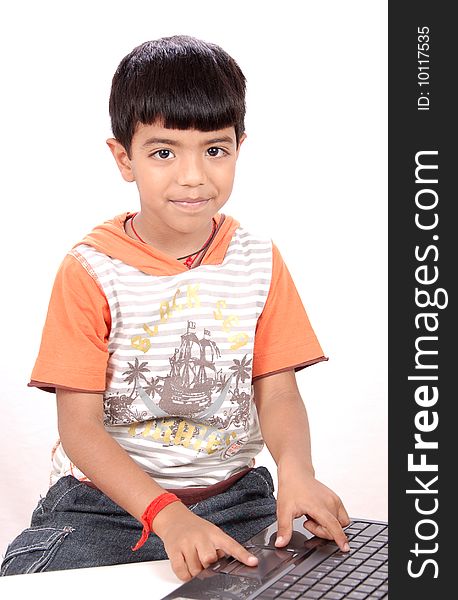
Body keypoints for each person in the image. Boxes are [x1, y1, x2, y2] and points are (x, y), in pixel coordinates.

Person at [0, 35, 350, 580]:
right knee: (34, 582)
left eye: (215, 149)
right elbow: (80, 429)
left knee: (313, 576)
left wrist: (297, 471)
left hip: (235, 496)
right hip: (106, 505)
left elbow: (278, 390)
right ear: (124, 158)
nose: (193, 176)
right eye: (163, 152)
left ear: (239, 147)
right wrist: (166, 516)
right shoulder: (91, 269)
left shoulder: (259, 259)